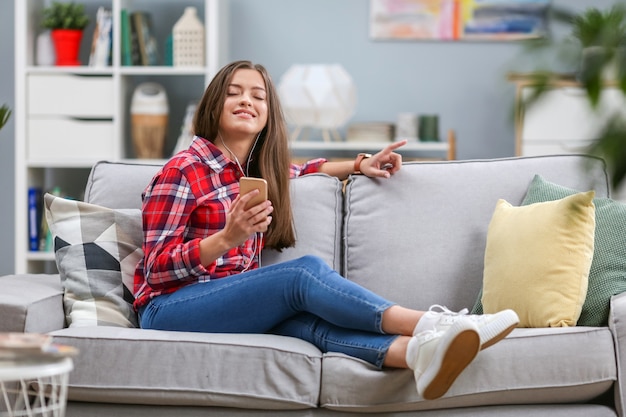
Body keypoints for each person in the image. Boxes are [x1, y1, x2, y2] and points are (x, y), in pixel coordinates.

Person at [133, 60, 519, 400]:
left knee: (308, 325)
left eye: (258, 96)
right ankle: (437, 324)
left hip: (226, 305)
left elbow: (306, 169)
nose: (246, 101)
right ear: (214, 104)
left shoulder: (258, 171)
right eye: (234, 93)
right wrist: (225, 239)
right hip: (169, 309)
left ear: (269, 114)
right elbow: (156, 269)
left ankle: (417, 354)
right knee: (301, 275)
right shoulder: (183, 169)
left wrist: (361, 164)